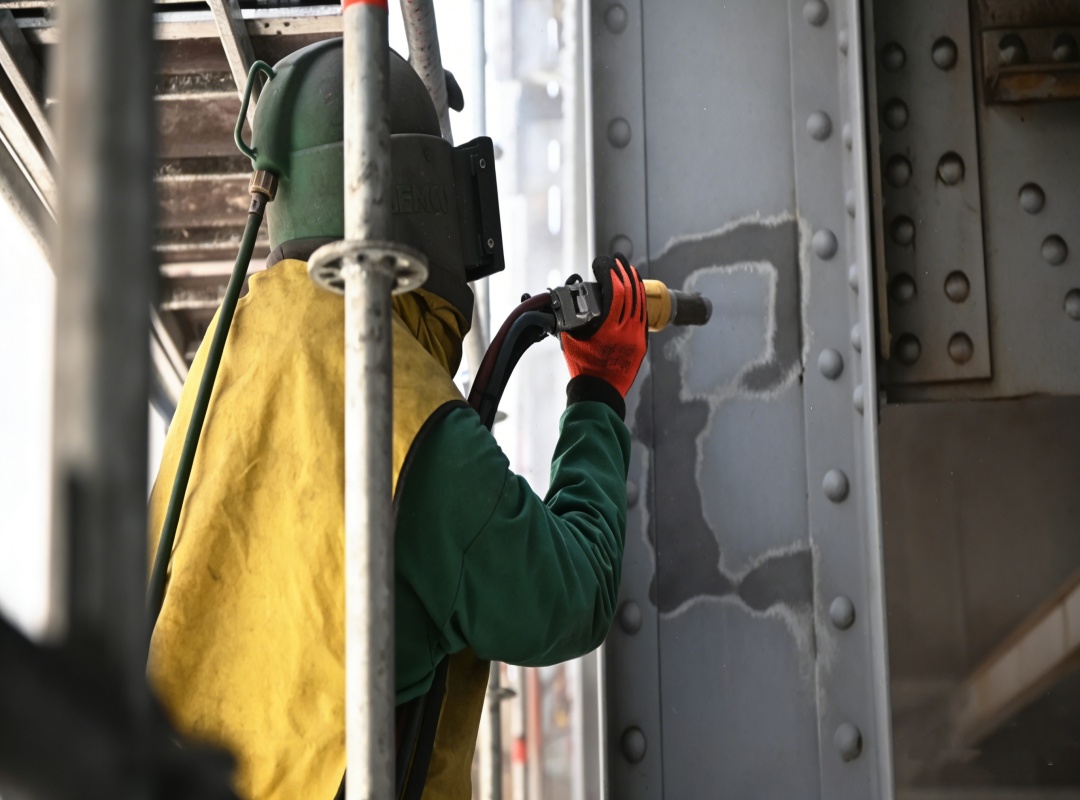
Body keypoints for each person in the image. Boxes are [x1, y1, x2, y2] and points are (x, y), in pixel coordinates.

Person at [147, 39, 647, 800]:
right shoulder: (403, 410)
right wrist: (600, 395)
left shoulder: (230, 349)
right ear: (425, 192)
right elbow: (568, 597)